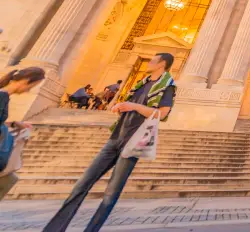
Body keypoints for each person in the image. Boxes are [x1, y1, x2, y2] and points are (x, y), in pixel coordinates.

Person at [42, 52, 177, 232]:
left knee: (110, 193)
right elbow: (132, 106)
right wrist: (121, 107)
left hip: (134, 142)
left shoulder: (167, 86)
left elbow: (162, 114)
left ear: (162, 64)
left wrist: (134, 106)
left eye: (153, 60)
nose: (149, 62)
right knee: (81, 184)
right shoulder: (141, 84)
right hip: (115, 137)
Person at [0, 67, 46, 200]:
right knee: (9, 179)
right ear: (26, 80)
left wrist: (14, 124)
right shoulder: (2, 96)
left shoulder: (4, 96)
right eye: (32, 86)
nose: (29, 90)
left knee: (9, 179)